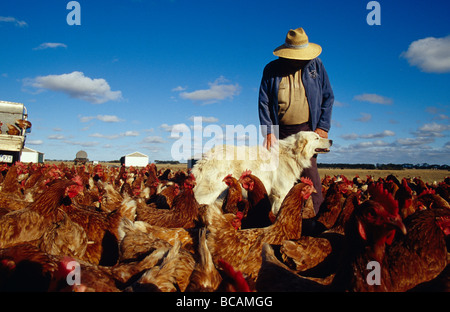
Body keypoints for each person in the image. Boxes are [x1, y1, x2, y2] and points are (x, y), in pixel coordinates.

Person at [258, 27, 334, 215]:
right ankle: (275, 219)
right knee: (275, 176)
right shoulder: (271, 69)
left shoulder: (316, 66)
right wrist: (269, 131)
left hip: (307, 130)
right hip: (280, 131)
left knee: (310, 175)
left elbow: (328, 97)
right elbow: (264, 102)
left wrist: (322, 127)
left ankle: (313, 219)